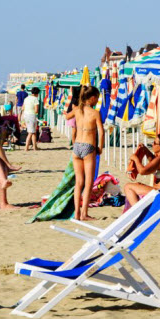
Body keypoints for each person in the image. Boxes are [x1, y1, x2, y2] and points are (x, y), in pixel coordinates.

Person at [65, 86, 104, 221]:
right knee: (88, 183)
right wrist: (100, 147)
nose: (97, 101)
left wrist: (73, 104)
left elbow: (66, 116)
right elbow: (101, 131)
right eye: (97, 98)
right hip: (88, 146)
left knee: (78, 182)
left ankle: (76, 213)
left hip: (76, 147)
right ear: (92, 98)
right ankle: (84, 214)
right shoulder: (95, 113)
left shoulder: (77, 110)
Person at [124, 133, 160, 208]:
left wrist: (136, 159)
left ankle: (137, 210)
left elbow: (142, 171)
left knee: (128, 187)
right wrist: (146, 151)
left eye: (155, 143)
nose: (152, 145)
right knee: (138, 184)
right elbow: (154, 163)